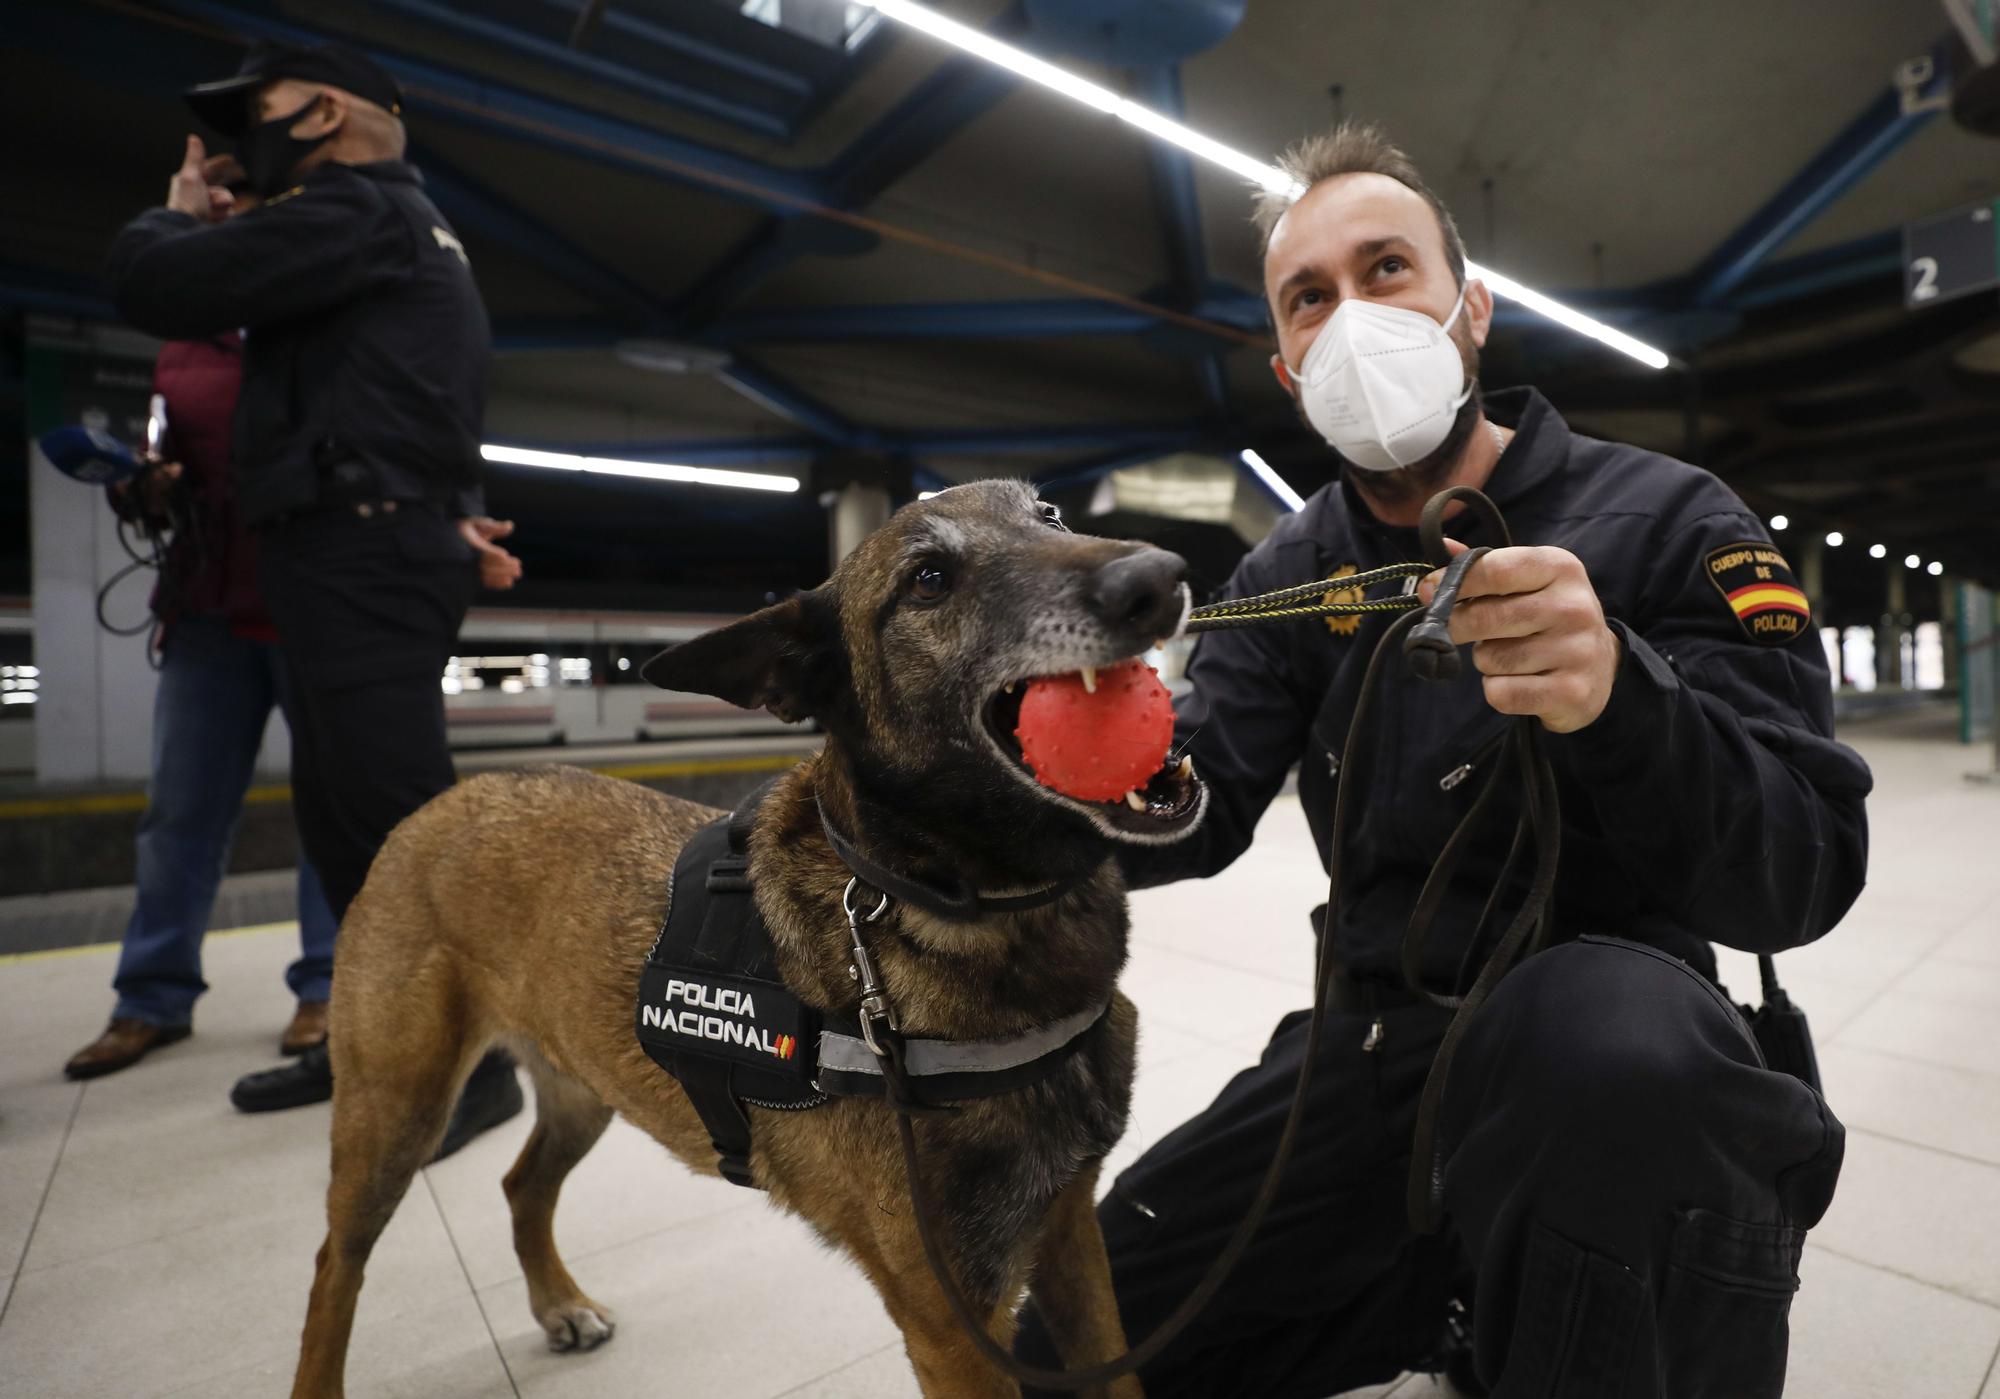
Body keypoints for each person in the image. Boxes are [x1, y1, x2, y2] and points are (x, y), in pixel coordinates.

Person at [1018, 123, 1872, 1398]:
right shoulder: (1292, 572)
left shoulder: (1669, 518)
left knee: (1605, 1056)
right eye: (1309, 298)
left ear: (1468, 309)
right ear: (1286, 364)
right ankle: (1448, 1292)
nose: (1351, 318)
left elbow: (1799, 869)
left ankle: (1540, 1286)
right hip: (1372, 1043)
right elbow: (1193, 805)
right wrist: (1084, 748)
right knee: (1067, 1354)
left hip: (1604, 1034)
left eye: (1386, 271)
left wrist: (1624, 699)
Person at [105, 40, 525, 1156]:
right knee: (352, 836)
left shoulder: (359, 206)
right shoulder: (383, 229)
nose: (240, 145)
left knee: (395, 833)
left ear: (326, 113)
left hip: (362, 556)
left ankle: (475, 1072)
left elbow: (159, 283)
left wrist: (179, 217)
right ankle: (369, 1056)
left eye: (262, 116)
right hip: (356, 549)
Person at [64, 198, 342, 1079]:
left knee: (325, 810)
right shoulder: (181, 342)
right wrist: (141, 488)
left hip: (310, 603)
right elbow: (164, 452)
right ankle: (151, 997)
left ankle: (329, 986)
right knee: (178, 813)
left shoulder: (322, 325)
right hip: (204, 607)